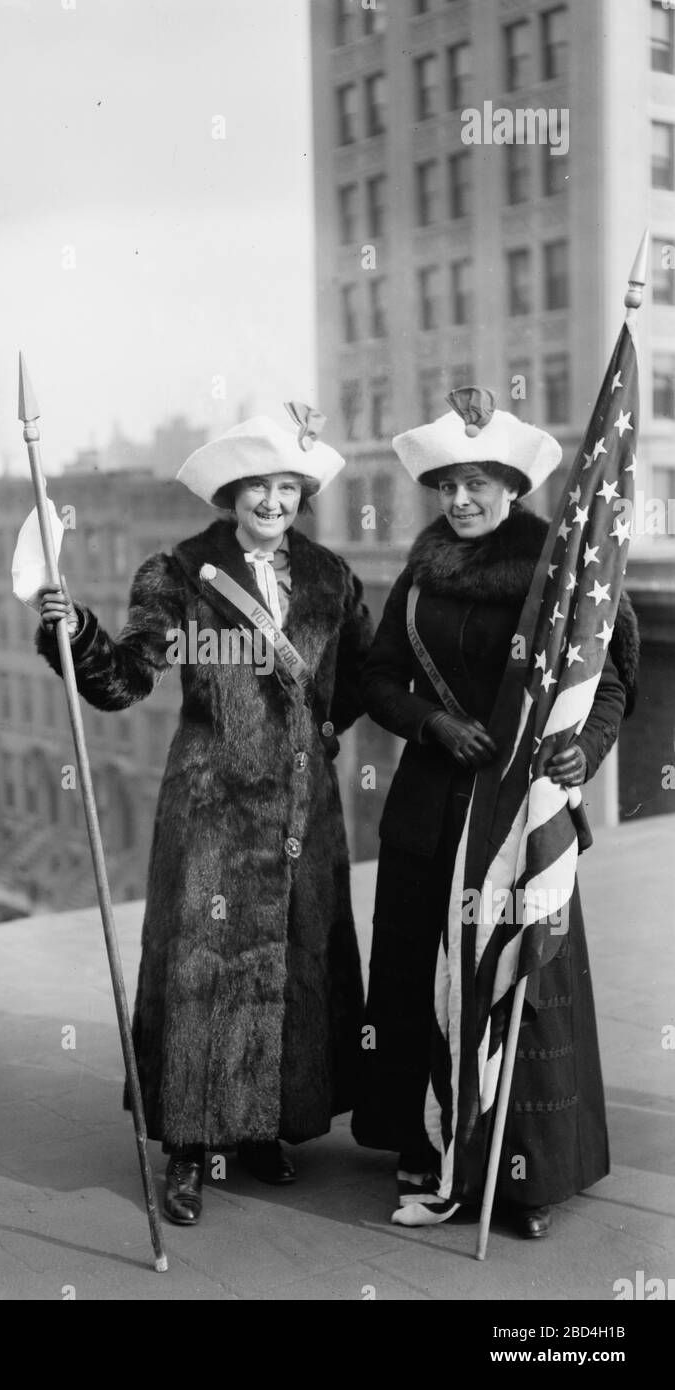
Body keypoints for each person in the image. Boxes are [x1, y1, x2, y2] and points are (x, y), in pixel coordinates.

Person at [35, 409, 374, 1226]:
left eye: (286, 486)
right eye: (256, 485)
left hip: (300, 810)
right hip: (213, 810)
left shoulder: (331, 577)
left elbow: (362, 674)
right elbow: (124, 680)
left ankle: (266, 1128)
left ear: (302, 493)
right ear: (230, 493)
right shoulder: (179, 574)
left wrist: (321, 731)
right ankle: (188, 1149)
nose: (271, 499)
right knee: (202, 972)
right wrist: (75, 633)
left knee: (291, 963)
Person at [351, 387, 639, 1239]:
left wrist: (582, 752)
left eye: (478, 483)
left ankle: (527, 1172)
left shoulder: (564, 571)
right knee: (419, 976)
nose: (461, 500)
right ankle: (422, 1140)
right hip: (430, 812)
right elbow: (374, 679)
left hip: (519, 817)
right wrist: (431, 722)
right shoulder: (417, 574)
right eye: (446, 486)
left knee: (519, 982)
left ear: (513, 487)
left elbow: (610, 680)